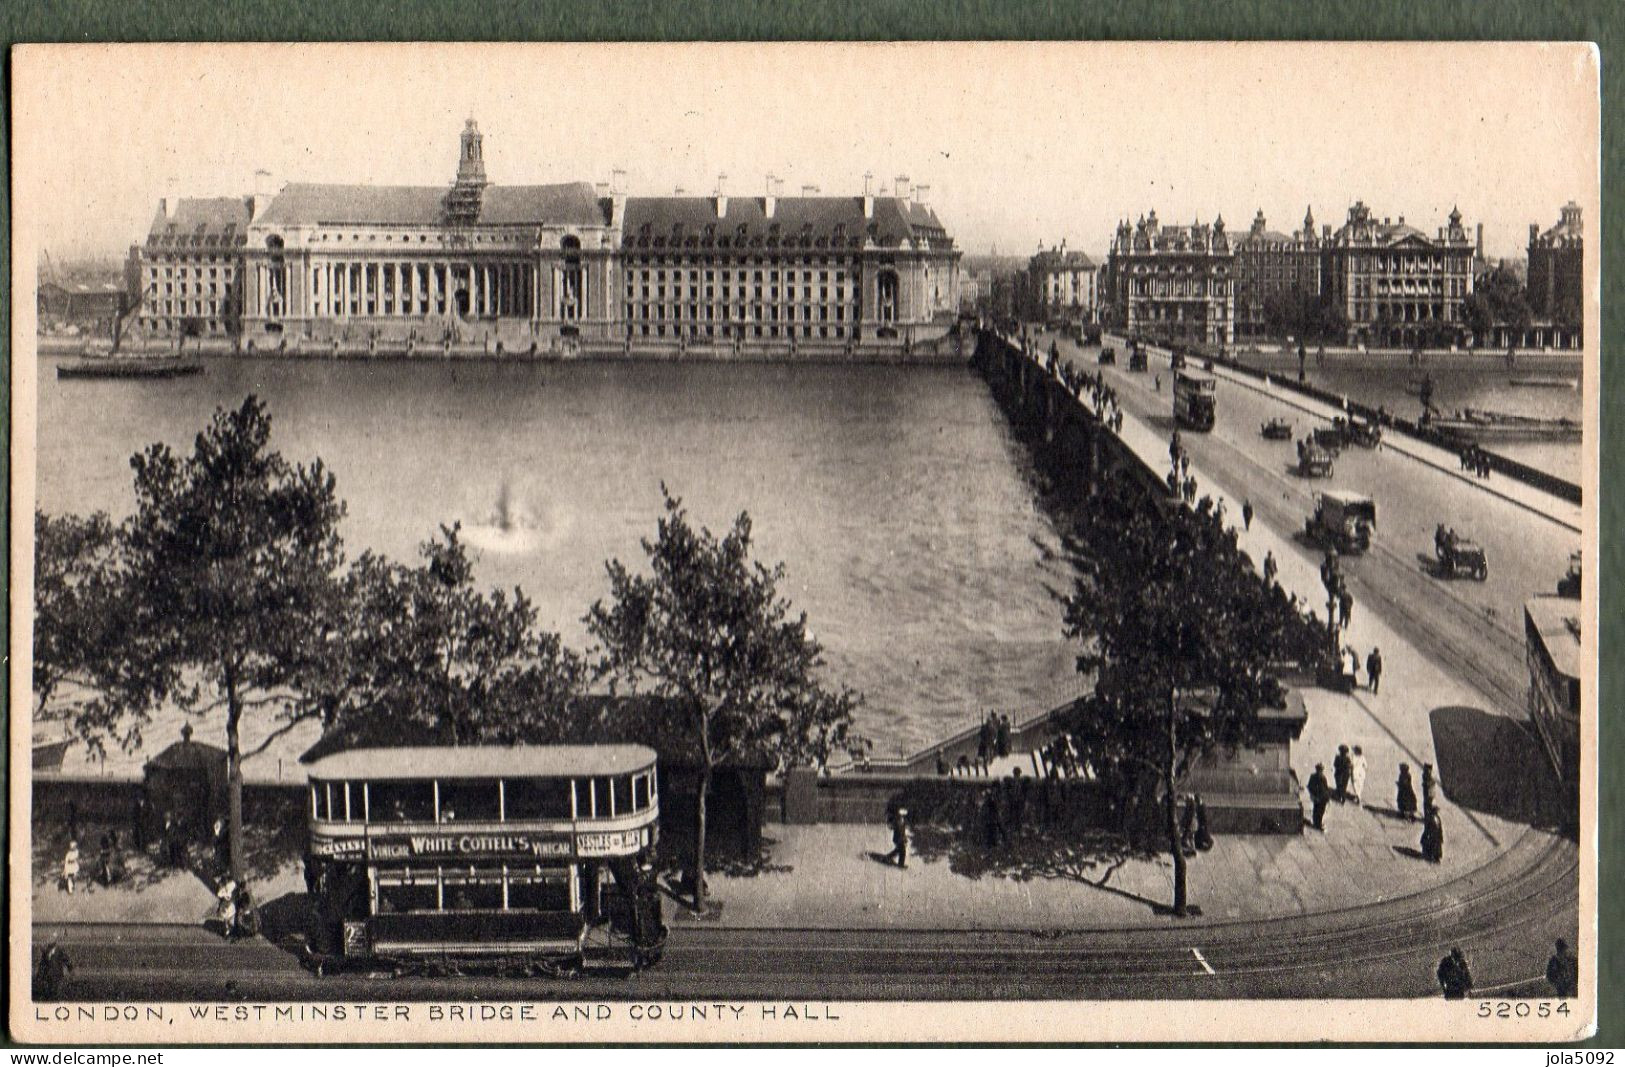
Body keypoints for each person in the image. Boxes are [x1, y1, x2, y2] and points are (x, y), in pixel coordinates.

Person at [1307, 764, 1331, 831]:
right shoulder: (1323, 777)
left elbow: (1309, 786)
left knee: (1316, 810)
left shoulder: (1313, 776)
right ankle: (1318, 824)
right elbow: (1326, 788)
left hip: (1318, 797)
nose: (1321, 771)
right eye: (1321, 770)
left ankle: (1316, 823)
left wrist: (1312, 795)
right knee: (1320, 811)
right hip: (1321, 797)